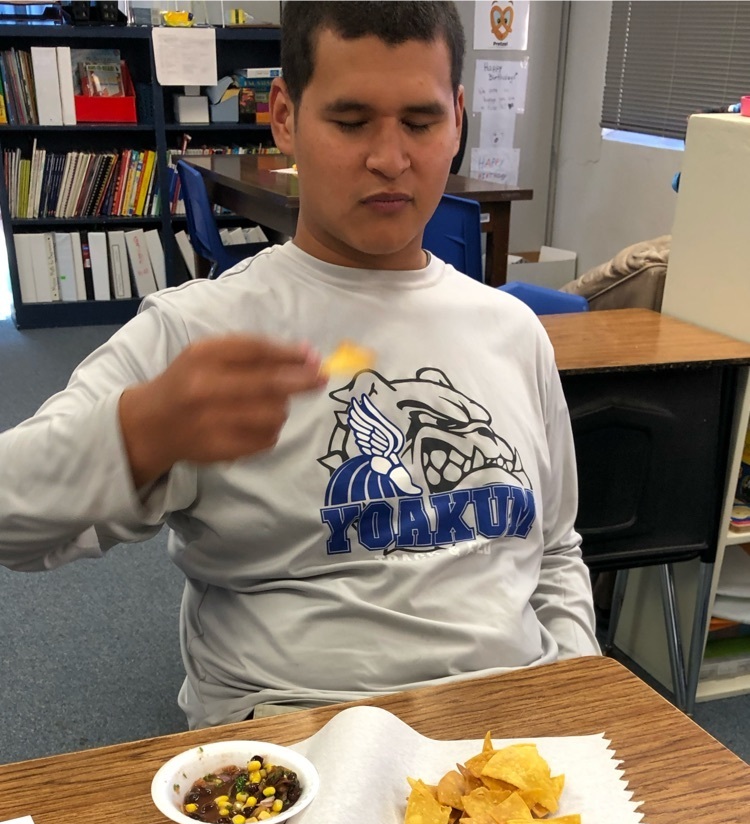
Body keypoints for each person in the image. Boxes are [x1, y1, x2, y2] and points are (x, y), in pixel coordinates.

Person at [0, 1, 599, 729]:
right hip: (298, 737)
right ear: (284, 115)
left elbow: (557, 548)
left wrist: (576, 688)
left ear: (459, 118)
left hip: (509, 731)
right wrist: (138, 433)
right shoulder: (199, 332)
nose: (390, 158)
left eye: (420, 121)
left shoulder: (512, 331)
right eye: (350, 121)